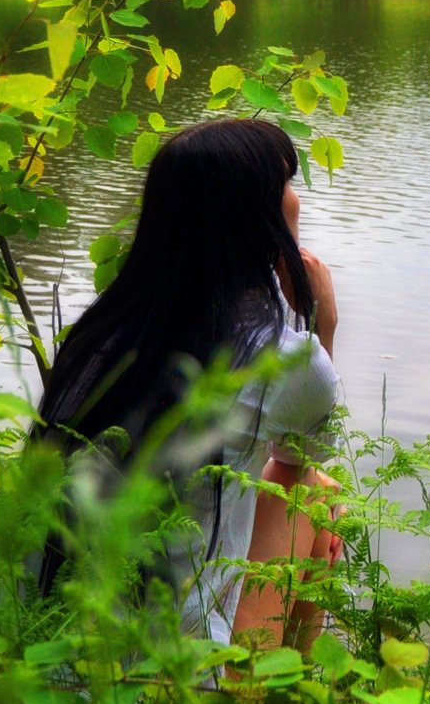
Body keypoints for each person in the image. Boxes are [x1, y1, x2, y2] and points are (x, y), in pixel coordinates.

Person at [32, 117, 344, 651]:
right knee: (317, 494)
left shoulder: (102, 335)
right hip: (172, 677)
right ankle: (274, 703)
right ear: (257, 216)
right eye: (287, 185)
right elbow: (299, 457)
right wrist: (319, 322)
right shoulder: (279, 357)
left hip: (48, 649)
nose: (296, 198)